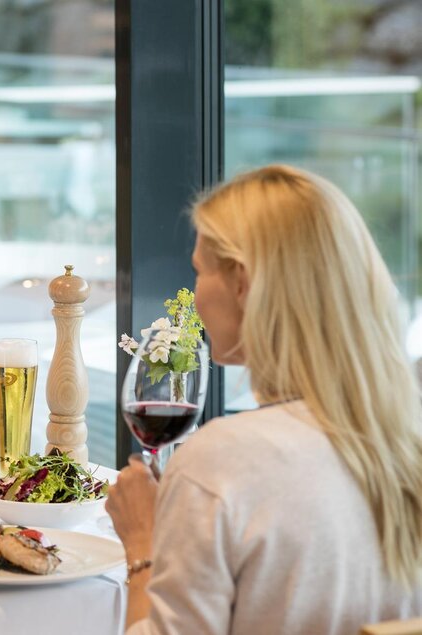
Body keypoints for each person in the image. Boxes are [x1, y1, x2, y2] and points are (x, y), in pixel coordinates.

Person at [106, 165, 422, 633]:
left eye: (198, 272)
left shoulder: (223, 462)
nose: (193, 299)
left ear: (243, 283)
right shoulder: (405, 431)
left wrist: (143, 543)